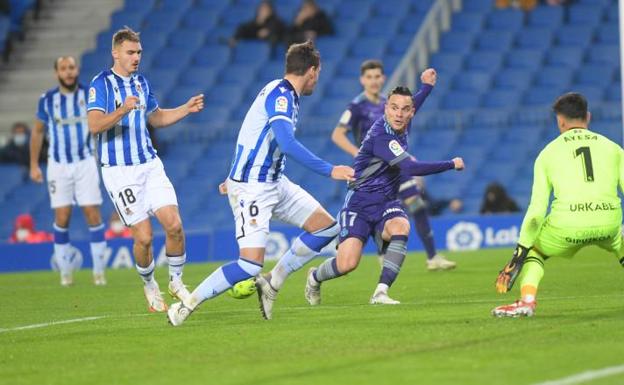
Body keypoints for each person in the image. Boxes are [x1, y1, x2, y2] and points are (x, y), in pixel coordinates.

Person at [167, 40, 354, 326]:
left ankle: (272, 282)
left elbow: (249, 132)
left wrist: (232, 173)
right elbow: (287, 143)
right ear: (312, 71)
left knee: (328, 228)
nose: (318, 79)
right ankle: (186, 305)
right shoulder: (281, 97)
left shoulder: (282, 92)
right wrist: (330, 170)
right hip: (254, 188)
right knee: (249, 264)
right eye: (319, 73)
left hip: (275, 182)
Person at [306, 86, 465, 306]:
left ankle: (381, 292)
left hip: (386, 202)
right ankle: (314, 277)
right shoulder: (382, 136)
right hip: (359, 203)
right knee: (347, 264)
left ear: (410, 113)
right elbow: (410, 166)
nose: (399, 114)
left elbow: (412, 103)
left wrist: (427, 86)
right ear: (385, 109)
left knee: (401, 227)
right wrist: (451, 164)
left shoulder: (402, 120)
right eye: (394, 108)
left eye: (405, 109)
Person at [87, 28, 204, 312]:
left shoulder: (140, 82)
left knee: (174, 225)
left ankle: (176, 281)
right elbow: (94, 125)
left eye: (139, 52)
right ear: (115, 53)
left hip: (149, 164)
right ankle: (150, 284)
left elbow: (157, 117)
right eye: (130, 52)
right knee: (144, 237)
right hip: (119, 171)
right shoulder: (101, 84)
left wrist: (184, 109)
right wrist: (121, 111)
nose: (136, 57)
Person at [493, 92, 624, 317]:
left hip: (567, 226)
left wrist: (518, 255)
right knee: (620, 243)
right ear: (588, 117)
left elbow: (536, 213)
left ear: (560, 121)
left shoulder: (547, 153)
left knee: (536, 252)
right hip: (608, 222)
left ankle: (527, 302)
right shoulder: (613, 148)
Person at [332, 60, 456, 272]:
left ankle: (432, 256)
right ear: (362, 80)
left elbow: (411, 110)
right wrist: (359, 153)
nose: (373, 81)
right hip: (373, 173)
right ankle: (378, 250)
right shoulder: (356, 106)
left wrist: (426, 86)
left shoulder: (390, 102)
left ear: (383, 78)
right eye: (369, 77)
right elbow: (337, 134)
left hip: (396, 167)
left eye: (377, 76)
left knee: (416, 203)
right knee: (376, 207)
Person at [29, 56, 108, 287]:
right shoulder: (47, 100)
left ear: (77, 70)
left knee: (93, 214)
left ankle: (99, 273)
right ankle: (65, 273)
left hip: (85, 162)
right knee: (62, 217)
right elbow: (37, 132)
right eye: (63, 68)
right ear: (57, 73)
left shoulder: (89, 96)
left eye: (71, 67)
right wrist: (34, 165)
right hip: (58, 165)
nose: (68, 72)